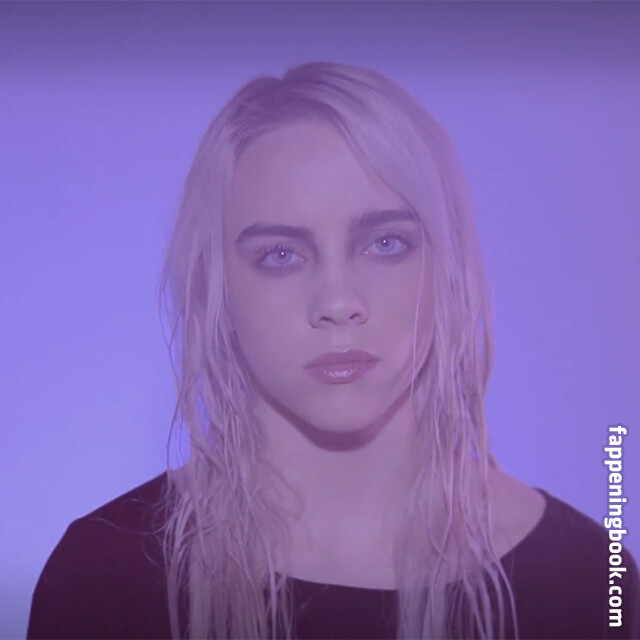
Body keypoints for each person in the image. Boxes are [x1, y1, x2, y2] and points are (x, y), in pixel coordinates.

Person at [27, 61, 639, 640]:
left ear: (447, 270)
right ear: (218, 290)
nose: (338, 301)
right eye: (281, 254)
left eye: (386, 243)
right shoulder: (102, 576)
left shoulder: (589, 578)